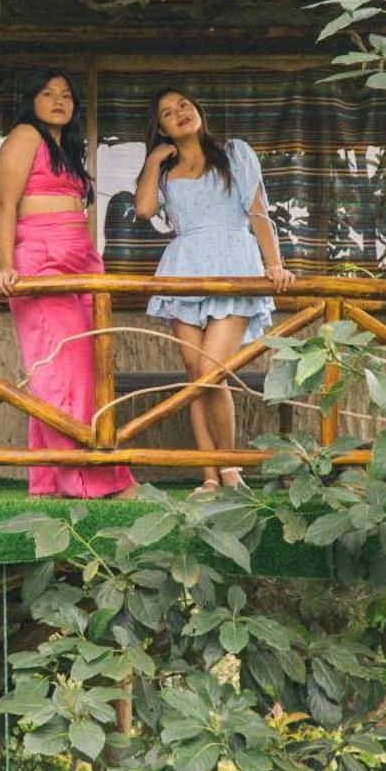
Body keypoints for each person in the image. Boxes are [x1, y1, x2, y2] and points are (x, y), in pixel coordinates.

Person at [134, 87, 295, 488]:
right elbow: (144, 209)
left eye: (184, 104)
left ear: (198, 108)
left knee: (211, 372)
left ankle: (229, 467)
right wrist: (154, 160)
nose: (180, 113)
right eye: (168, 113)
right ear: (162, 129)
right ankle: (209, 475)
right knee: (195, 376)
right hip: (184, 267)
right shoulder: (165, 170)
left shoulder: (234, 154)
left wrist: (273, 264)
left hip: (234, 261)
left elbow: (258, 211)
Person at [0, 72, 135, 498]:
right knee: (61, 371)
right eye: (48, 93)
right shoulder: (24, 135)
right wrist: (5, 266)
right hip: (42, 259)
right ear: (30, 100)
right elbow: (5, 207)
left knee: (79, 369)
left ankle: (50, 479)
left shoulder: (66, 149)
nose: (58, 101)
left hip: (80, 259)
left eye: (66, 95)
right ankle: (91, 478)